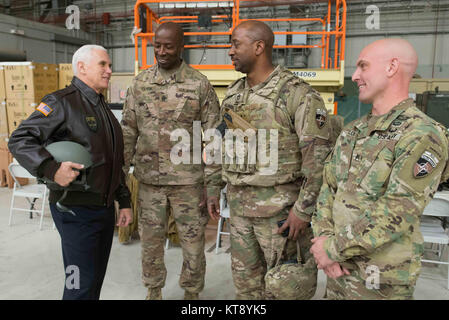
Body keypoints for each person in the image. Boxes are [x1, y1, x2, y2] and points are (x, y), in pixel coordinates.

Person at [310, 38, 449, 300]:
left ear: (391, 67)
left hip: (380, 279)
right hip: (338, 272)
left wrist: (332, 248)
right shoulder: (353, 131)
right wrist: (324, 244)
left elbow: (398, 209)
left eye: (363, 66)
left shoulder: (422, 134)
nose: (355, 75)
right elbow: (327, 190)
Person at [213, 20, 335, 300]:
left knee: (285, 289)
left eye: (235, 44)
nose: (229, 51)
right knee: (247, 290)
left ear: (259, 47)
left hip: (280, 217)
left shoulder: (297, 93)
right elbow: (225, 147)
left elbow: (318, 161)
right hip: (241, 214)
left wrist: (303, 212)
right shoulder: (233, 95)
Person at [8, 44, 133, 300]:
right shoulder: (61, 102)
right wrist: (51, 168)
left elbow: (113, 162)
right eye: (103, 65)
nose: (109, 70)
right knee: (79, 284)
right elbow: (20, 139)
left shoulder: (103, 109)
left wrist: (124, 201)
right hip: (75, 210)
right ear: (82, 67)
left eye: (109, 65)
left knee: (94, 280)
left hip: (103, 208)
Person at [121, 22, 221, 300]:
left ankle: (192, 292)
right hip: (150, 182)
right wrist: (119, 180)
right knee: (150, 242)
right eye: (157, 45)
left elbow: (212, 138)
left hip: (188, 183)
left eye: (169, 46)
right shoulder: (140, 83)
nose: (162, 51)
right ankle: (154, 291)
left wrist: (213, 186)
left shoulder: (198, 84)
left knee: (193, 242)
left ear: (181, 47)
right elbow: (128, 130)